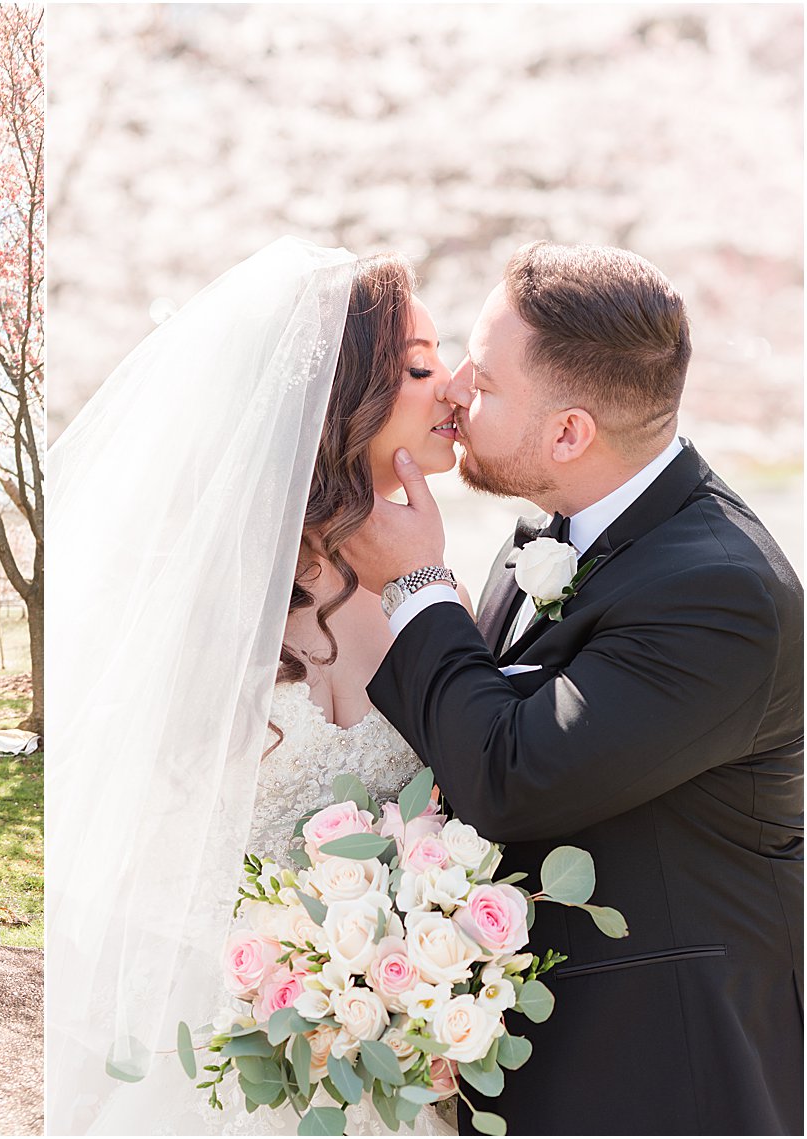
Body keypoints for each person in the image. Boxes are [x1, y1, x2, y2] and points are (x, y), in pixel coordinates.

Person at [348, 242, 803, 1135]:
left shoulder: (724, 595)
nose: (456, 384)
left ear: (569, 433)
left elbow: (512, 776)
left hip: (665, 1078)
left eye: (486, 375)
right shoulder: (550, 527)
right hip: (523, 1062)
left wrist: (415, 585)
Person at [46, 239, 462, 1134]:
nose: (455, 385)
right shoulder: (218, 596)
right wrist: (282, 972)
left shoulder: (432, 582)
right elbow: (139, 836)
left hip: (401, 1048)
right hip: (240, 1038)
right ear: (342, 397)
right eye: (420, 365)